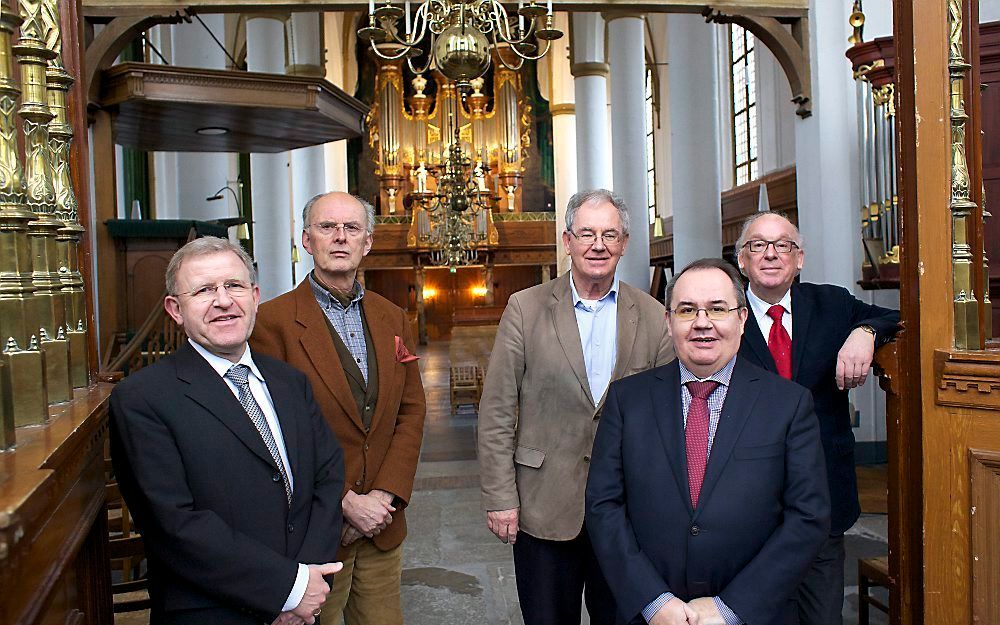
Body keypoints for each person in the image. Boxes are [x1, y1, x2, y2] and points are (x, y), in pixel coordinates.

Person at [110, 236, 345, 625]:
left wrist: (308, 583)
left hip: (306, 602)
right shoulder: (142, 398)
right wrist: (285, 588)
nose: (223, 301)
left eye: (234, 286)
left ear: (254, 296)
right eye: (204, 290)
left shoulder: (290, 382)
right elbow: (174, 524)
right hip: (212, 612)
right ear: (175, 309)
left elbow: (327, 477)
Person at [586, 257, 831, 625]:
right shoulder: (627, 400)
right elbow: (604, 507)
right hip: (649, 614)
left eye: (717, 309)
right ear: (668, 323)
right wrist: (653, 602)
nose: (703, 323)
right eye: (687, 310)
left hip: (754, 613)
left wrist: (731, 608)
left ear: (742, 318)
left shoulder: (788, 404)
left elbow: (808, 518)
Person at [478, 189, 674, 625]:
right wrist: (499, 497)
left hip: (627, 512)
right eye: (586, 233)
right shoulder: (525, 309)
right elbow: (496, 411)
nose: (597, 245)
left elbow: (668, 422)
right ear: (567, 241)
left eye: (609, 234)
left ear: (624, 243)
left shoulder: (653, 314)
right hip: (543, 506)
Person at [251, 192, 426, 625]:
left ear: (367, 243)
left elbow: (410, 411)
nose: (340, 237)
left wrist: (384, 496)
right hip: (314, 533)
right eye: (327, 227)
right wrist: (345, 502)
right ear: (307, 240)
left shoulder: (393, 318)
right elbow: (276, 432)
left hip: (383, 526)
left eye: (351, 228)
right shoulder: (270, 323)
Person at [734, 213, 899, 625]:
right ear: (741, 260)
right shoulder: (723, 314)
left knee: (823, 616)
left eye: (783, 245)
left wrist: (864, 331)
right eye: (758, 245)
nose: (771, 254)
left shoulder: (832, 303)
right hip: (745, 504)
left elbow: (892, 317)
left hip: (821, 499)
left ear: (800, 258)